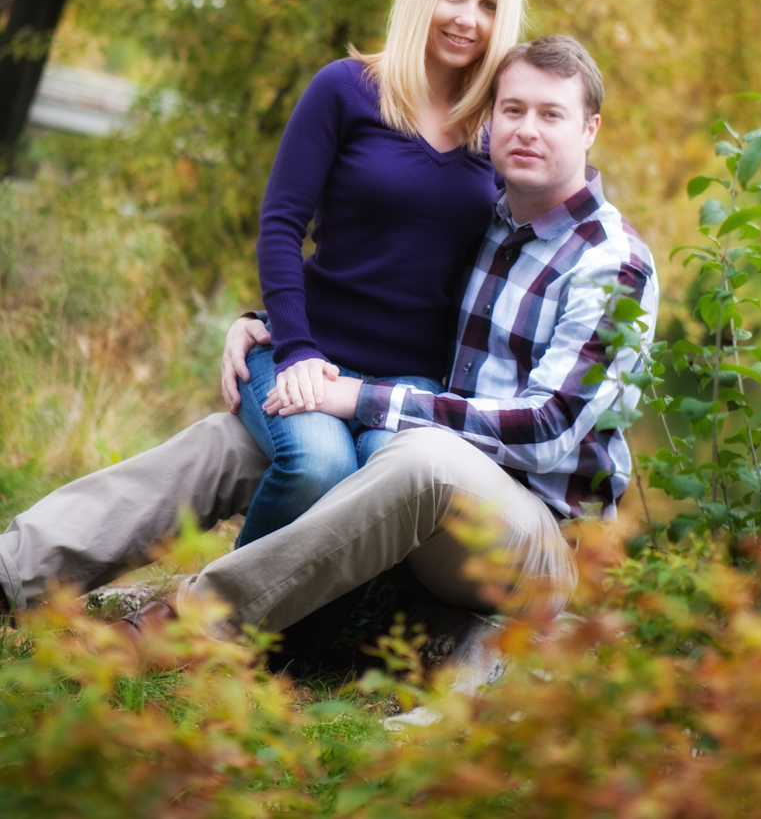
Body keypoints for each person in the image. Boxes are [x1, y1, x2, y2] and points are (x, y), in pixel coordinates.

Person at [0, 36, 657, 638]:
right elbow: (390, 289)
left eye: (551, 114)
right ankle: (15, 571)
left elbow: (548, 426)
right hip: (434, 497)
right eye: (512, 110)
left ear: (589, 129)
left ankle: (189, 627)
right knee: (234, 446)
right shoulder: (492, 222)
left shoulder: (612, 263)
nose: (527, 129)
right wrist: (268, 323)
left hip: (537, 543)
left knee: (420, 458)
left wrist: (361, 399)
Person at [231, 0, 524, 549]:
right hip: (311, 350)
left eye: (488, 5)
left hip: (414, 383)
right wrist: (291, 344)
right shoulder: (345, 88)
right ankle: (217, 610)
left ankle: (310, 624)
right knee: (320, 466)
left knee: (391, 489)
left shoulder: (499, 130)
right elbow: (281, 224)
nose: (468, 18)